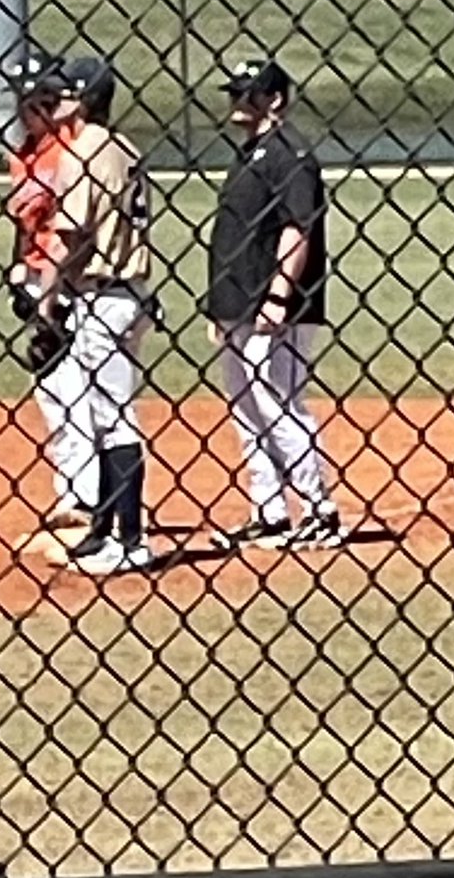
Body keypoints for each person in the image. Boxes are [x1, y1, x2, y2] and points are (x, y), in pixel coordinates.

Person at [204, 58, 345, 550]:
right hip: (239, 301)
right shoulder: (251, 152)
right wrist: (223, 308)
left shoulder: (291, 155)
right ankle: (270, 510)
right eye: (235, 91)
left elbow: (296, 226)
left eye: (249, 92)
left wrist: (279, 296)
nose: (237, 100)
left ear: (275, 99)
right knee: (247, 407)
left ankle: (320, 510)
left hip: (278, 304)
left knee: (278, 400)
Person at [38, 56, 156, 575]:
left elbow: (68, 236)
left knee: (113, 419)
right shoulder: (126, 147)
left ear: (85, 99)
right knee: (107, 416)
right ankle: (105, 530)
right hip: (127, 292)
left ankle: (129, 540)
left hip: (104, 297)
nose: (55, 99)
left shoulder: (84, 150)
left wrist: (46, 299)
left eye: (64, 93)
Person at [5, 55, 98, 530]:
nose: (27, 110)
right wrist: (18, 272)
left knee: (76, 390)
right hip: (38, 279)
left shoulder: (71, 152)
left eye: (36, 101)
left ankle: (86, 496)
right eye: (24, 101)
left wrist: (55, 290)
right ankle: (71, 490)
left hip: (70, 282)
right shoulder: (21, 154)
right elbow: (25, 228)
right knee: (52, 392)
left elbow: (78, 229)